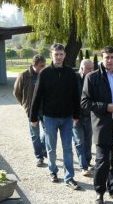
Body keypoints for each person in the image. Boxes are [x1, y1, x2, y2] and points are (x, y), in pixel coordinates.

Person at [81, 46, 113, 204]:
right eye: (106, 57)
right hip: (102, 125)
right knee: (102, 161)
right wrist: (106, 107)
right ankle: (99, 192)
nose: (109, 60)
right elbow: (84, 102)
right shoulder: (92, 77)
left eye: (112, 57)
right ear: (101, 59)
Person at [30, 43, 81, 190]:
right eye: (56, 54)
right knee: (51, 147)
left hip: (67, 117)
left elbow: (75, 95)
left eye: (61, 54)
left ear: (64, 55)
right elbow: (37, 96)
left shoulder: (71, 73)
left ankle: (69, 177)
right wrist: (33, 117)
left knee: (67, 148)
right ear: (51, 55)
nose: (59, 57)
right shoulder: (45, 73)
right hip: (50, 117)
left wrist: (76, 114)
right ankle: (53, 171)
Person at [13, 55, 47, 167]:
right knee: (35, 134)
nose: (43, 68)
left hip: (46, 108)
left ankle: (42, 148)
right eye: (41, 66)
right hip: (32, 110)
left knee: (48, 131)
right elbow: (17, 92)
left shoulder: (45, 74)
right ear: (34, 65)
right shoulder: (24, 75)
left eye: (44, 65)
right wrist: (25, 105)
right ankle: (39, 157)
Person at [73, 59, 94, 176]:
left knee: (88, 141)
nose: (91, 71)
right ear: (81, 68)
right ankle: (83, 166)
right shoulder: (74, 79)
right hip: (76, 116)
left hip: (89, 115)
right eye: (88, 69)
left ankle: (88, 161)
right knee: (79, 141)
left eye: (92, 68)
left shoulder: (94, 79)